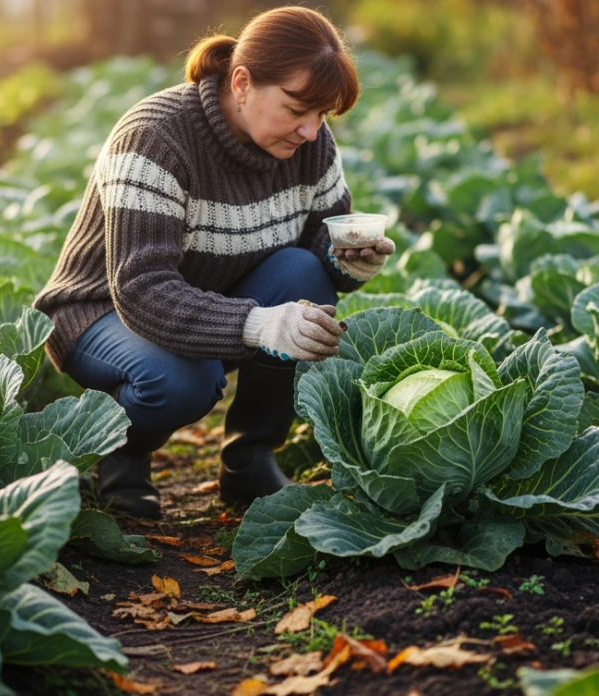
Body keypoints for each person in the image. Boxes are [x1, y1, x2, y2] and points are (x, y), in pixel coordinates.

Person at [33, 6, 395, 519]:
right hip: (102, 311)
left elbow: (320, 247)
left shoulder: (310, 146)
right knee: (184, 382)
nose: (312, 131)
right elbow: (142, 289)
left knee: (302, 273)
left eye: (323, 115)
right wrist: (260, 323)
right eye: (298, 110)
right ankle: (120, 451)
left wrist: (350, 262)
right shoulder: (156, 138)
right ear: (243, 82)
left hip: (211, 299)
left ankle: (249, 458)